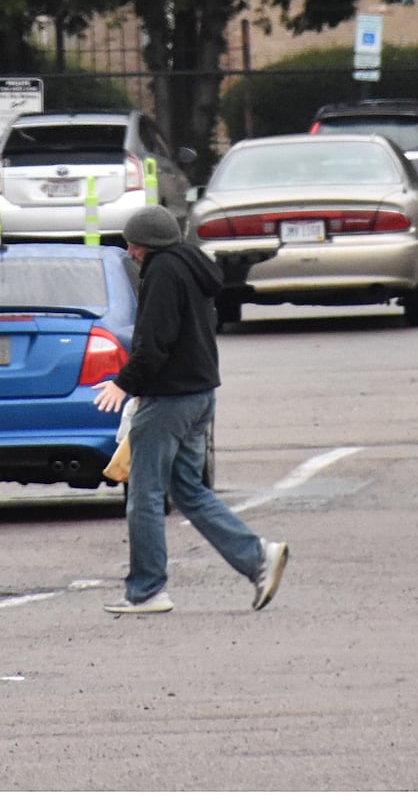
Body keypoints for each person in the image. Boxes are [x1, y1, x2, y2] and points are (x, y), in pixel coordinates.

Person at [93, 204, 288, 615]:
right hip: (199, 395)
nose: (129, 252)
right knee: (190, 491)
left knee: (143, 495)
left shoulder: (162, 271)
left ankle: (147, 589)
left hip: (169, 399)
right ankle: (258, 559)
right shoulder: (192, 266)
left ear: (147, 245)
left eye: (133, 245)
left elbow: (155, 338)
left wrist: (126, 383)